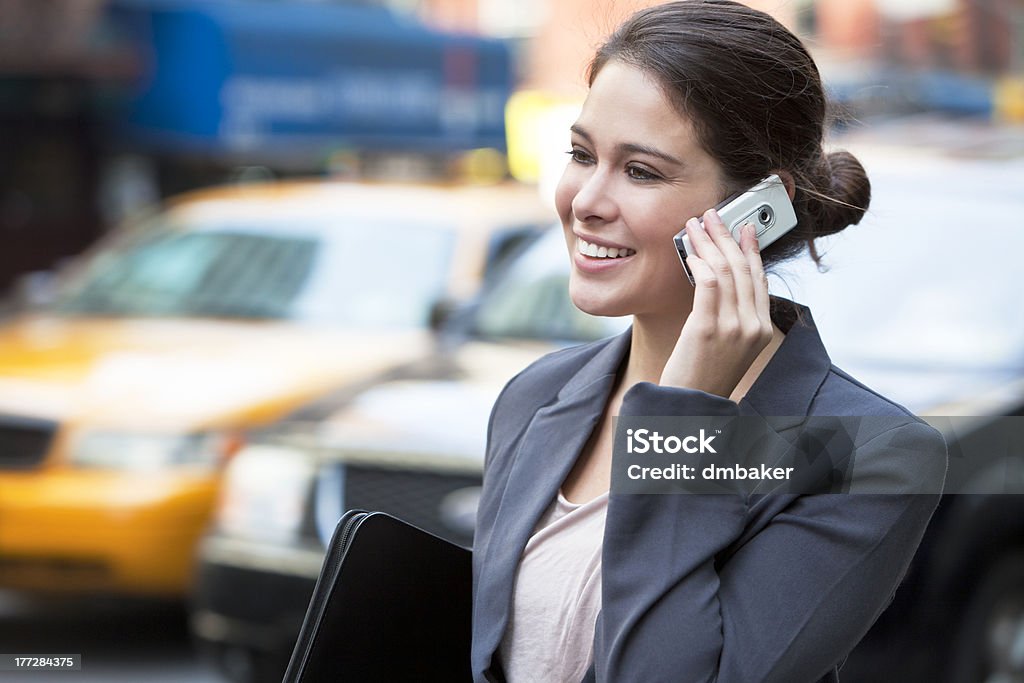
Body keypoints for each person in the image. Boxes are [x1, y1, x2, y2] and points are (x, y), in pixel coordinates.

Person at [471, 2, 948, 682]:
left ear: (755, 210)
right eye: (582, 154)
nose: (585, 200)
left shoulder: (868, 456)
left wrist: (686, 418)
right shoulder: (534, 396)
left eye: (641, 171)